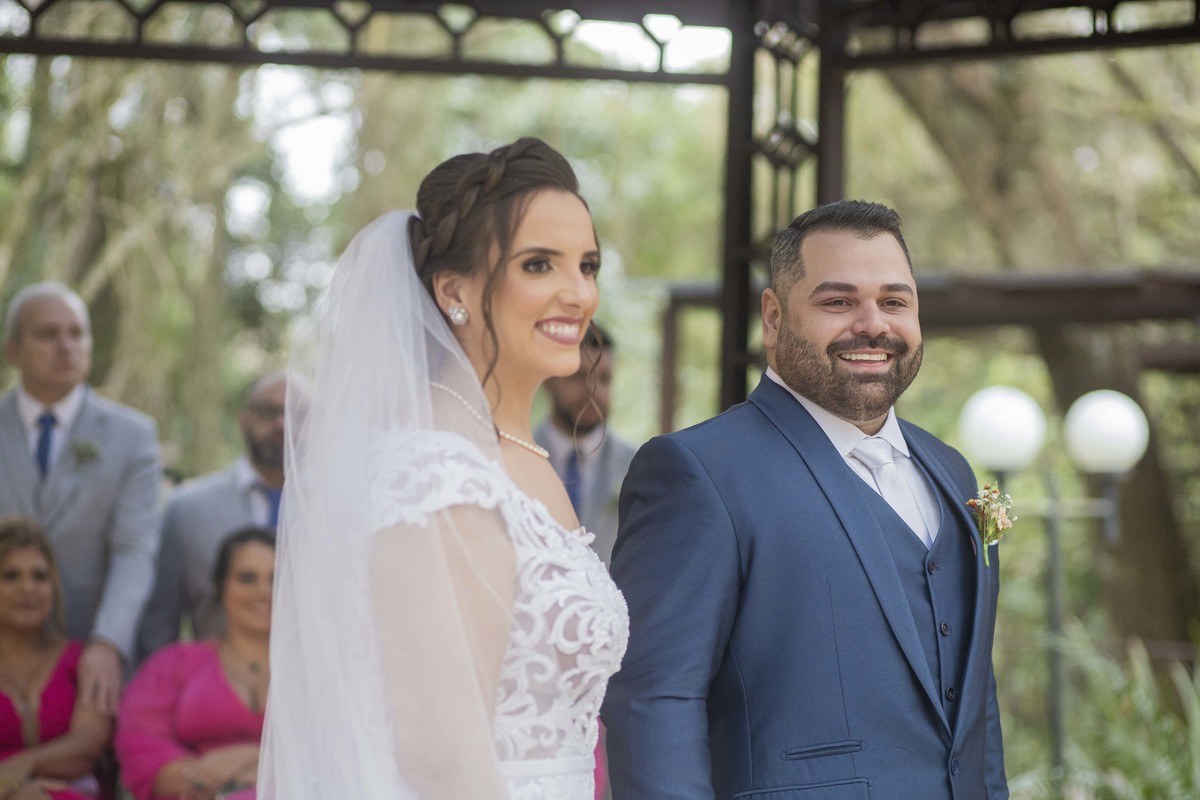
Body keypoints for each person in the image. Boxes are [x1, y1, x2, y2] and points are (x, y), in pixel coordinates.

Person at [258, 137, 628, 800]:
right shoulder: (435, 472)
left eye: (588, 265)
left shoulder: (518, 455)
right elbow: (441, 756)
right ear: (454, 290)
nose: (578, 293)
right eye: (540, 264)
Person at [603, 200, 1008, 800]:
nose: (873, 325)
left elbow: (976, 708)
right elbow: (653, 700)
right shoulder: (697, 473)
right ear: (773, 318)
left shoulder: (952, 471)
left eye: (895, 302)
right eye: (837, 301)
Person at [0, 283, 162, 716]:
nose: (66, 346)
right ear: (12, 348)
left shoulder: (134, 437)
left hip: (89, 655)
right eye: (48, 334)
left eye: (77, 333)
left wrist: (108, 642)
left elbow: (134, 549)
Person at [115, 527, 274, 800]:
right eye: (247, 578)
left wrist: (240, 763)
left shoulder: (316, 674)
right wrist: (204, 780)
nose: (263, 591)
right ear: (220, 586)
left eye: (276, 579)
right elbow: (140, 745)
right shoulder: (173, 665)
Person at [138, 372, 287, 659]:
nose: (281, 424)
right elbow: (159, 626)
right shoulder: (187, 509)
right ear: (243, 418)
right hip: (219, 692)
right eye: (268, 411)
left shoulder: (345, 512)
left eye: (295, 413)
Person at [0, 516, 111, 800]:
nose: (29, 588)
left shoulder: (80, 661)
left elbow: (88, 746)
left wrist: (23, 764)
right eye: (11, 576)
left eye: (40, 576)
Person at [535, 321, 636, 567]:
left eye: (605, 379)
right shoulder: (514, 458)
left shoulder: (639, 464)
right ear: (548, 380)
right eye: (579, 377)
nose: (594, 392)